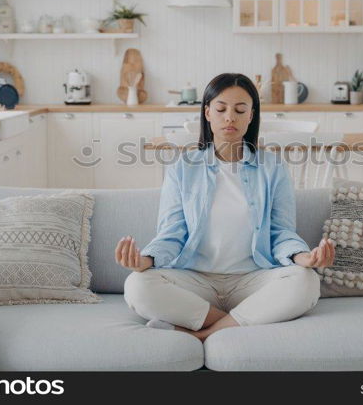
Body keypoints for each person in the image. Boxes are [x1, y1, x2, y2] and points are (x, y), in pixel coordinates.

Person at [115, 73, 335, 342]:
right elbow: (173, 232)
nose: (230, 117)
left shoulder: (272, 167)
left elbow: (280, 232)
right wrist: (145, 260)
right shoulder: (183, 168)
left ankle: (202, 333)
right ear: (207, 113)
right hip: (196, 281)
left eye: (240, 109)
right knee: (137, 285)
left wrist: (304, 258)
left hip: (253, 279)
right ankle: (242, 320)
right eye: (221, 109)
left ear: (251, 116)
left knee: (306, 282)